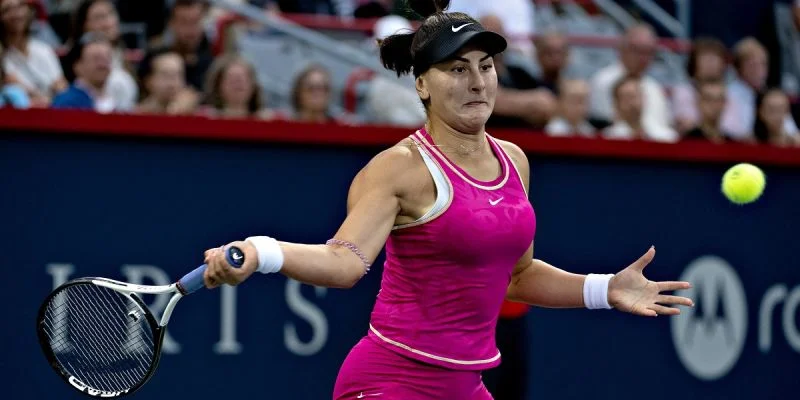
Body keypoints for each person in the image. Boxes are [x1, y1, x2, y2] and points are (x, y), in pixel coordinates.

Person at [201, 0, 694, 398]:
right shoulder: (399, 167)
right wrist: (262, 251)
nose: (477, 82)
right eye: (457, 69)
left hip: (466, 385)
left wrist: (605, 289)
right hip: (389, 383)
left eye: (485, 66)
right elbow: (344, 262)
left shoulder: (515, 162)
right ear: (422, 84)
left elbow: (516, 276)